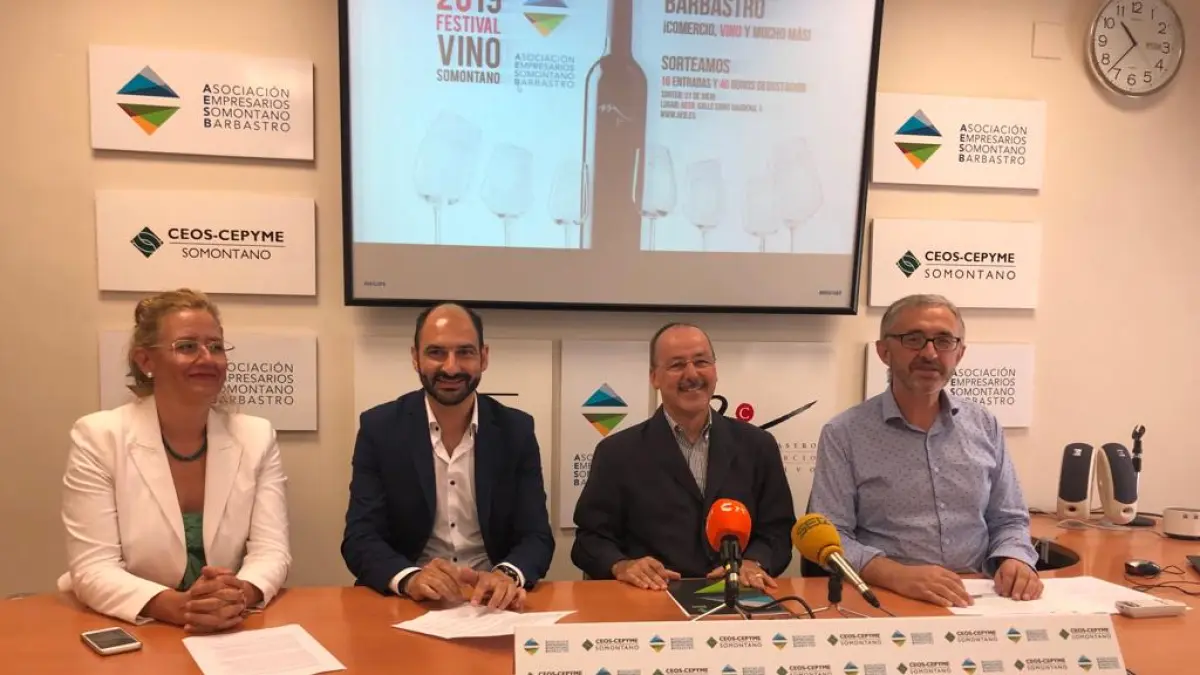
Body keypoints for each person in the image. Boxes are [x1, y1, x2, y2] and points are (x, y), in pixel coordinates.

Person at [59, 289, 291, 631]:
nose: (207, 358)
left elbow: (271, 551)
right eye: (187, 346)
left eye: (215, 346)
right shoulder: (98, 436)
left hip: (227, 623)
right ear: (145, 361)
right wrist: (179, 607)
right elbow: (93, 568)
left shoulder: (256, 436)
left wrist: (238, 595)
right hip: (137, 622)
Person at [809, 293, 1042, 608]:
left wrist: (1015, 558)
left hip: (980, 597)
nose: (930, 353)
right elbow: (831, 536)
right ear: (884, 351)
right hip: (888, 596)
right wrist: (897, 575)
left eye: (944, 341)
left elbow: (1009, 519)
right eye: (913, 339)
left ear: (959, 353)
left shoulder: (984, 424)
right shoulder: (844, 434)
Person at [341, 302, 554, 610]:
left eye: (465, 352)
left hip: (493, 603)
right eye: (436, 352)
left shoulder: (516, 430)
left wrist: (506, 575)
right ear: (415, 358)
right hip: (411, 602)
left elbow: (536, 536)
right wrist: (410, 578)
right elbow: (361, 537)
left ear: (484, 357)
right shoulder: (380, 429)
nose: (451, 368)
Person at [572, 323, 795, 591]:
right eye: (677, 365)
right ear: (654, 377)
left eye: (701, 362)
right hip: (652, 597)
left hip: (737, 595)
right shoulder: (617, 452)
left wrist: (754, 562)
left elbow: (778, 531)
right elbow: (590, 539)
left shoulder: (758, 445)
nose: (692, 374)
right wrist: (622, 565)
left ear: (715, 370)